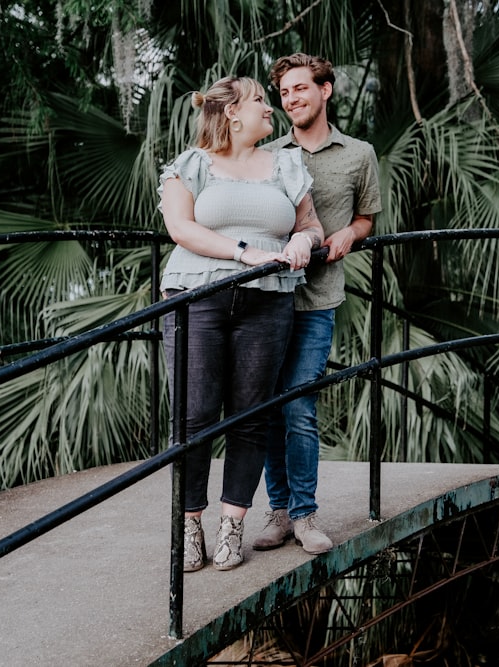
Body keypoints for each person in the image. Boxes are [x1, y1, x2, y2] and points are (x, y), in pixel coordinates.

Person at [157, 75, 324, 572]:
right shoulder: (191, 165)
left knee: (252, 416)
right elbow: (180, 228)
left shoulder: (286, 164)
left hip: (269, 301)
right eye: (260, 102)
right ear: (231, 113)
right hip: (196, 297)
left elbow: (310, 224)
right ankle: (189, 527)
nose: (271, 110)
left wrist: (304, 242)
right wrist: (244, 252)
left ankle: (233, 526)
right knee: (194, 416)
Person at [254, 54, 382, 554]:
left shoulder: (358, 154)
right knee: (267, 407)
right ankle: (279, 513)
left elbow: (368, 217)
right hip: (266, 299)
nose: (291, 100)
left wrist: (350, 231)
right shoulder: (267, 154)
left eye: (301, 89)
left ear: (325, 91)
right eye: (284, 93)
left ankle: (306, 517)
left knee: (300, 405)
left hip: (318, 299)